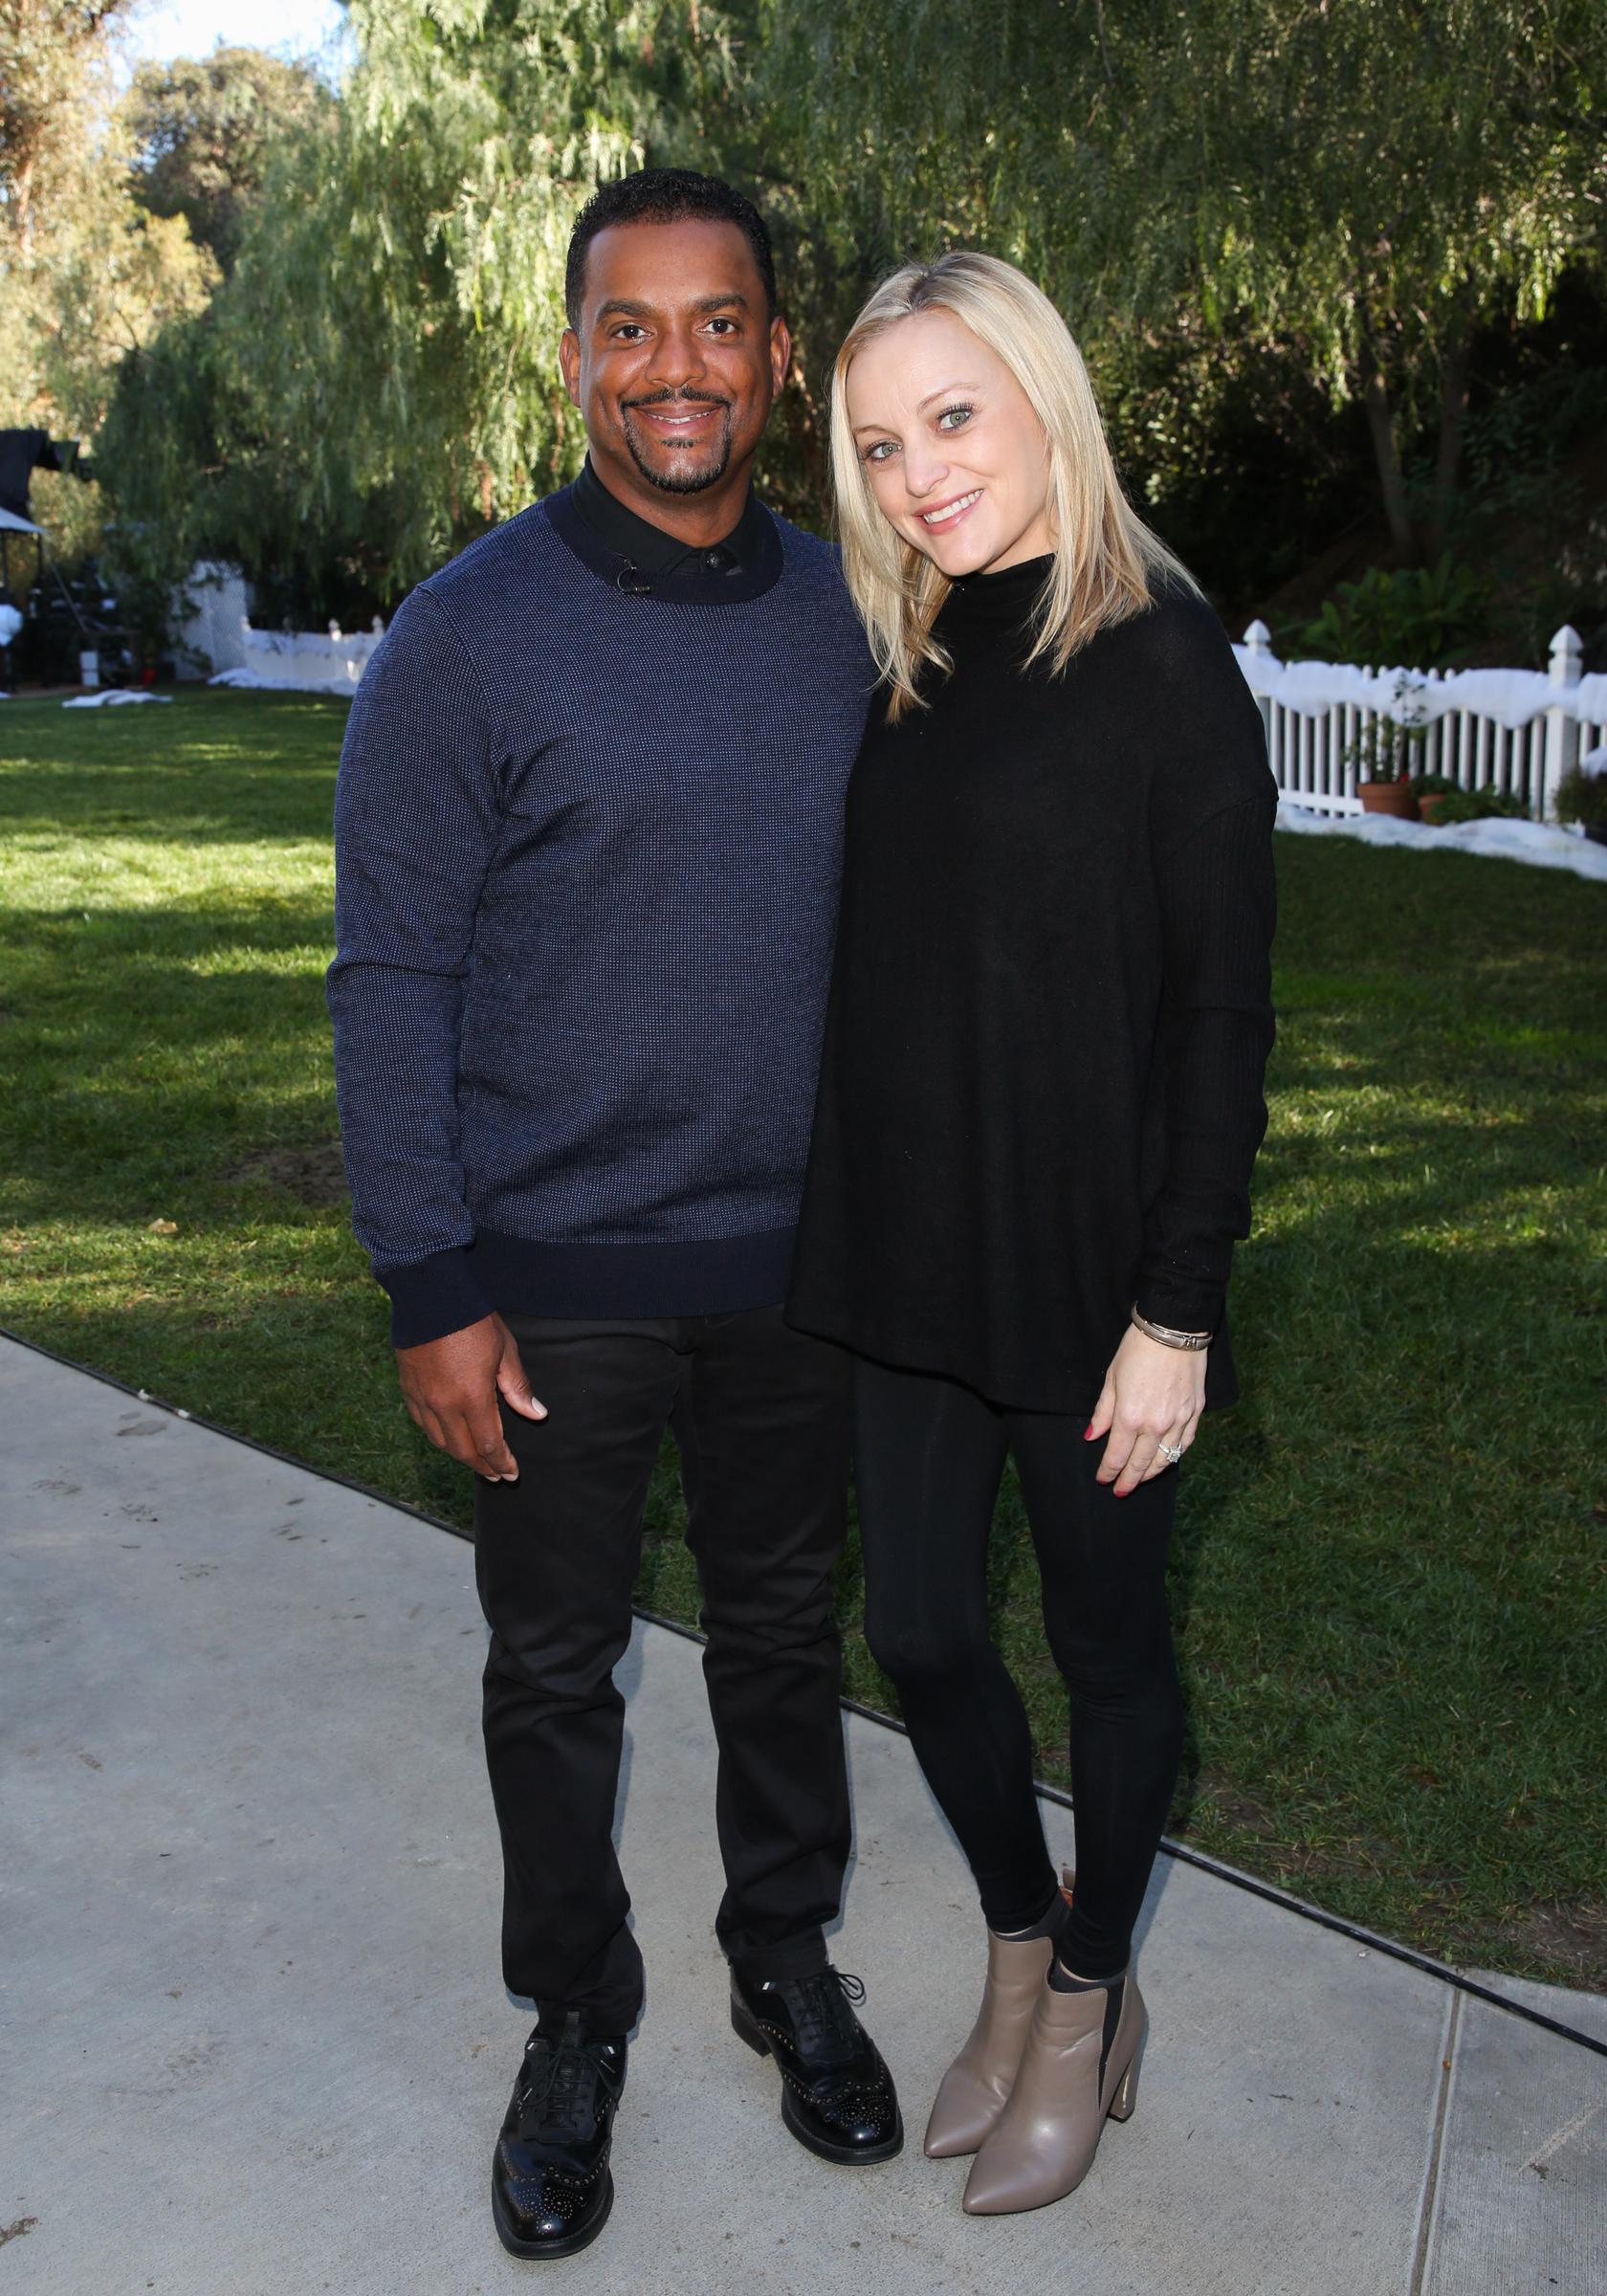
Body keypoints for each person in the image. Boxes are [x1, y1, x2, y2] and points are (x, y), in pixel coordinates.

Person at [327, 169, 902, 2266]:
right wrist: (432, 1278)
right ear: (572, 355)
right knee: (553, 1668)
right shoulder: (467, 638)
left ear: (776, 349)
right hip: (551, 1278)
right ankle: (577, 2012)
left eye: (717, 323)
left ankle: (786, 1956)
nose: (676, 366)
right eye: (629, 327)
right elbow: (390, 974)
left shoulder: (855, 617)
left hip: (795, 1275)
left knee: (778, 1642)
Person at [786, 251, 1277, 2217]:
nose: (918, 475)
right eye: (882, 444)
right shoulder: (914, 658)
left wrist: (1178, 1313)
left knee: (1106, 1655)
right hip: (910, 1257)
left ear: (1044, 393)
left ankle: (1089, 2001)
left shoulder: (1166, 659)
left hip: (1090, 1283)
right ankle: (1016, 1939)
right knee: (914, 1629)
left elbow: (1223, 1022)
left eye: (953, 418)